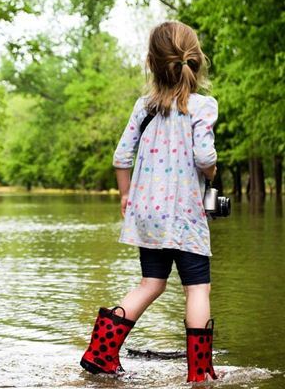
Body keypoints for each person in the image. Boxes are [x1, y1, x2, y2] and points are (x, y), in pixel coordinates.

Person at [79, 21, 219, 383]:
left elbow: (121, 157)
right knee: (197, 289)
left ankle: (100, 354)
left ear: (152, 63)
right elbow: (205, 158)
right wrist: (213, 171)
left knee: (151, 283)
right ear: (194, 60)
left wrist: (126, 194)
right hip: (185, 216)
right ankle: (200, 372)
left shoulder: (145, 107)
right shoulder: (202, 106)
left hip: (148, 215)